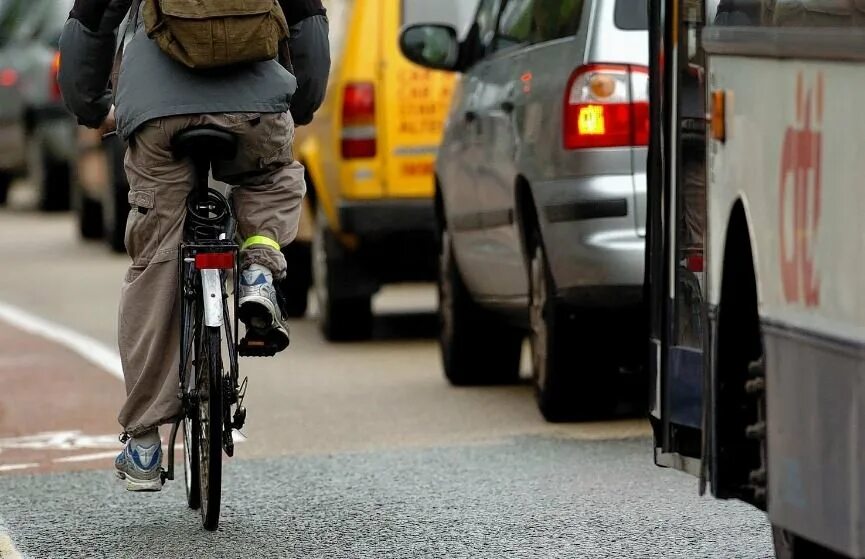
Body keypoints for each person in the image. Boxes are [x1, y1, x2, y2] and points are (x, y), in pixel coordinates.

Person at [57, 0, 330, 491]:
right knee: (271, 179)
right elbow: (309, 27)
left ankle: (143, 444)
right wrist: (302, 102)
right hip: (255, 109)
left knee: (156, 257)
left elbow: (89, 23)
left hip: (157, 116)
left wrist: (93, 107)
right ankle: (259, 270)